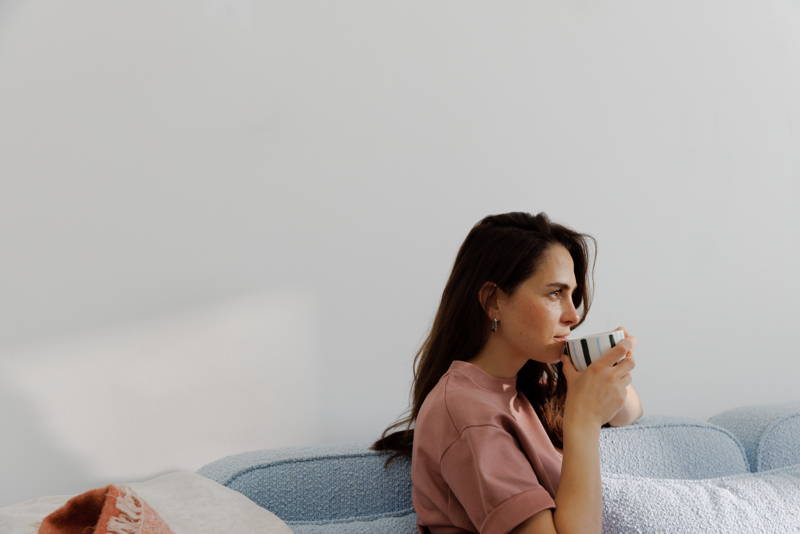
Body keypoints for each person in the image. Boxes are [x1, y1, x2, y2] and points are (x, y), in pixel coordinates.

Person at [369, 211, 642, 534]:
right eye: (555, 293)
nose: (573, 315)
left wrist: (603, 369)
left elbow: (630, 412)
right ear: (493, 301)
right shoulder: (466, 411)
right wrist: (583, 423)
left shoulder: (518, 389)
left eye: (573, 295)